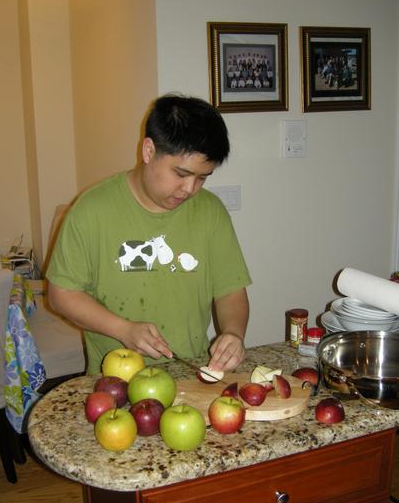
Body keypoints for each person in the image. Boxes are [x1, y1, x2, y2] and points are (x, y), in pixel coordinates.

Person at [46, 94, 251, 375]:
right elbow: (61, 294)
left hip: (190, 373)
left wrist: (233, 334)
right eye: (181, 174)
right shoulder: (91, 210)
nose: (190, 189)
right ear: (148, 150)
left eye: (202, 178)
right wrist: (123, 330)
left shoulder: (210, 212)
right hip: (115, 380)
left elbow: (230, 291)